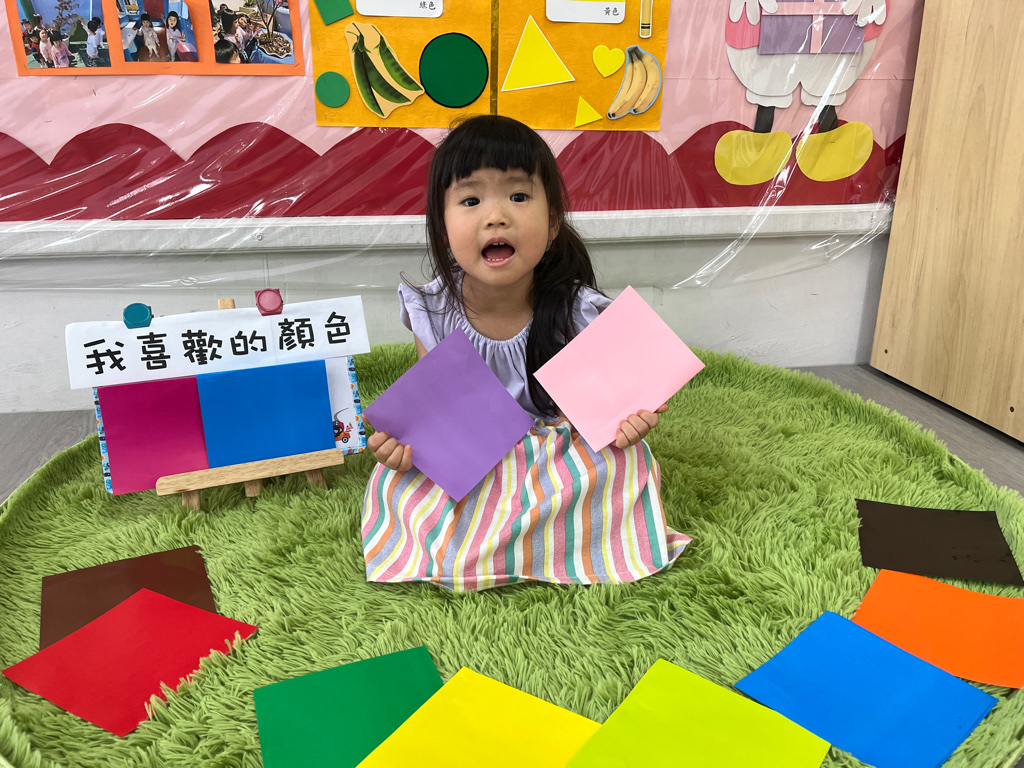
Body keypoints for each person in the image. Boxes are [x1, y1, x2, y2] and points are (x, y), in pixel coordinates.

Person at [362, 115, 690, 592]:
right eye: (470, 200)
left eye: (519, 196)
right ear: (442, 225)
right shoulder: (431, 310)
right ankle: (518, 545)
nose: (496, 216)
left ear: (553, 221)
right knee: (395, 485)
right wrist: (403, 451)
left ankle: (535, 544)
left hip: (559, 458)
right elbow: (440, 418)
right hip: (476, 455)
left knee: (623, 463)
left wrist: (629, 423)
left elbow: (615, 409)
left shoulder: (578, 311)